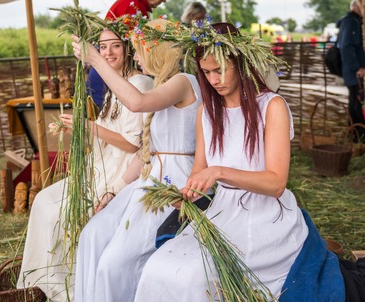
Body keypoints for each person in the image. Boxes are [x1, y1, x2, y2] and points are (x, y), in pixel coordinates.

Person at [134, 22, 345, 301]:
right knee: (157, 266)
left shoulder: (272, 106)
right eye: (206, 72)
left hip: (266, 217)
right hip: (223, 212)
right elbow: (200, 173)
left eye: (219, 70)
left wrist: (219, 172)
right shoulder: (207, 114)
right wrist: (186, 195)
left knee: (193, 275)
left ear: (240, 62)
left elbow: (276, 183)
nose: (213, 79)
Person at [16, 27, 154, 301]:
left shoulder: (140, 85)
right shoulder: (115, 84)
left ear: (127, 48)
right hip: (101, 163)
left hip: (122, 169)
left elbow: (133, 144)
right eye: (102, 48)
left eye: (114, 46)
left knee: (60, 211)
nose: (108, 52)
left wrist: (88, 127)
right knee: (44, 200)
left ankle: (69, 284)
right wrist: (77, 129)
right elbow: (103, 129)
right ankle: (41, 281)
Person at [71, 18, 202, 302]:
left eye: (140, 50)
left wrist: (95, 58)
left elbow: (137, 103)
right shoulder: (160, 84)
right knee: (91, 236)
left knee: (114, 264)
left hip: (174, 183)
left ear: (158, 51)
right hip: (148, 178)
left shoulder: (183, 82)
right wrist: (113, 190)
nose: (137, 56)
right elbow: (146, 153)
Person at [338, 0, 365, 141]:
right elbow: (346, 47)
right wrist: (357, 68)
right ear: (356, 6)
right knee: (356, 103)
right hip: (353, 71)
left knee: (354, 102)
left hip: (352, 70)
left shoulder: (353, 21)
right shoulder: (351, 22)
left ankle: (355, 136)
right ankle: (358, 136)